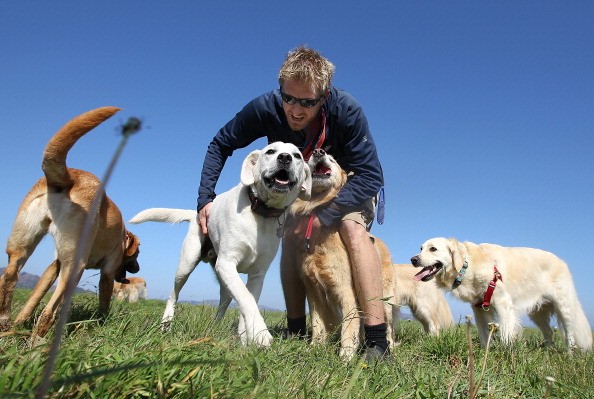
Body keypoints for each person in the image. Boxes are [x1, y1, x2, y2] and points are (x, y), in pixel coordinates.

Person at [197, 45, 388, 360]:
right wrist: (205, 197)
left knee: (352, 227)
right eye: (289, 99)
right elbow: (221, 143)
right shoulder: (264, 107)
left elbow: (371, 176)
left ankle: (377, 341)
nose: (296, 111)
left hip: (347, 182)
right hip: (302, 189)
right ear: (281, 90)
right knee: (288, 229)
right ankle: (297, 328)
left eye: (308, 103)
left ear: (324, 97)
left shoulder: (347, 110)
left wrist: (325, 215)